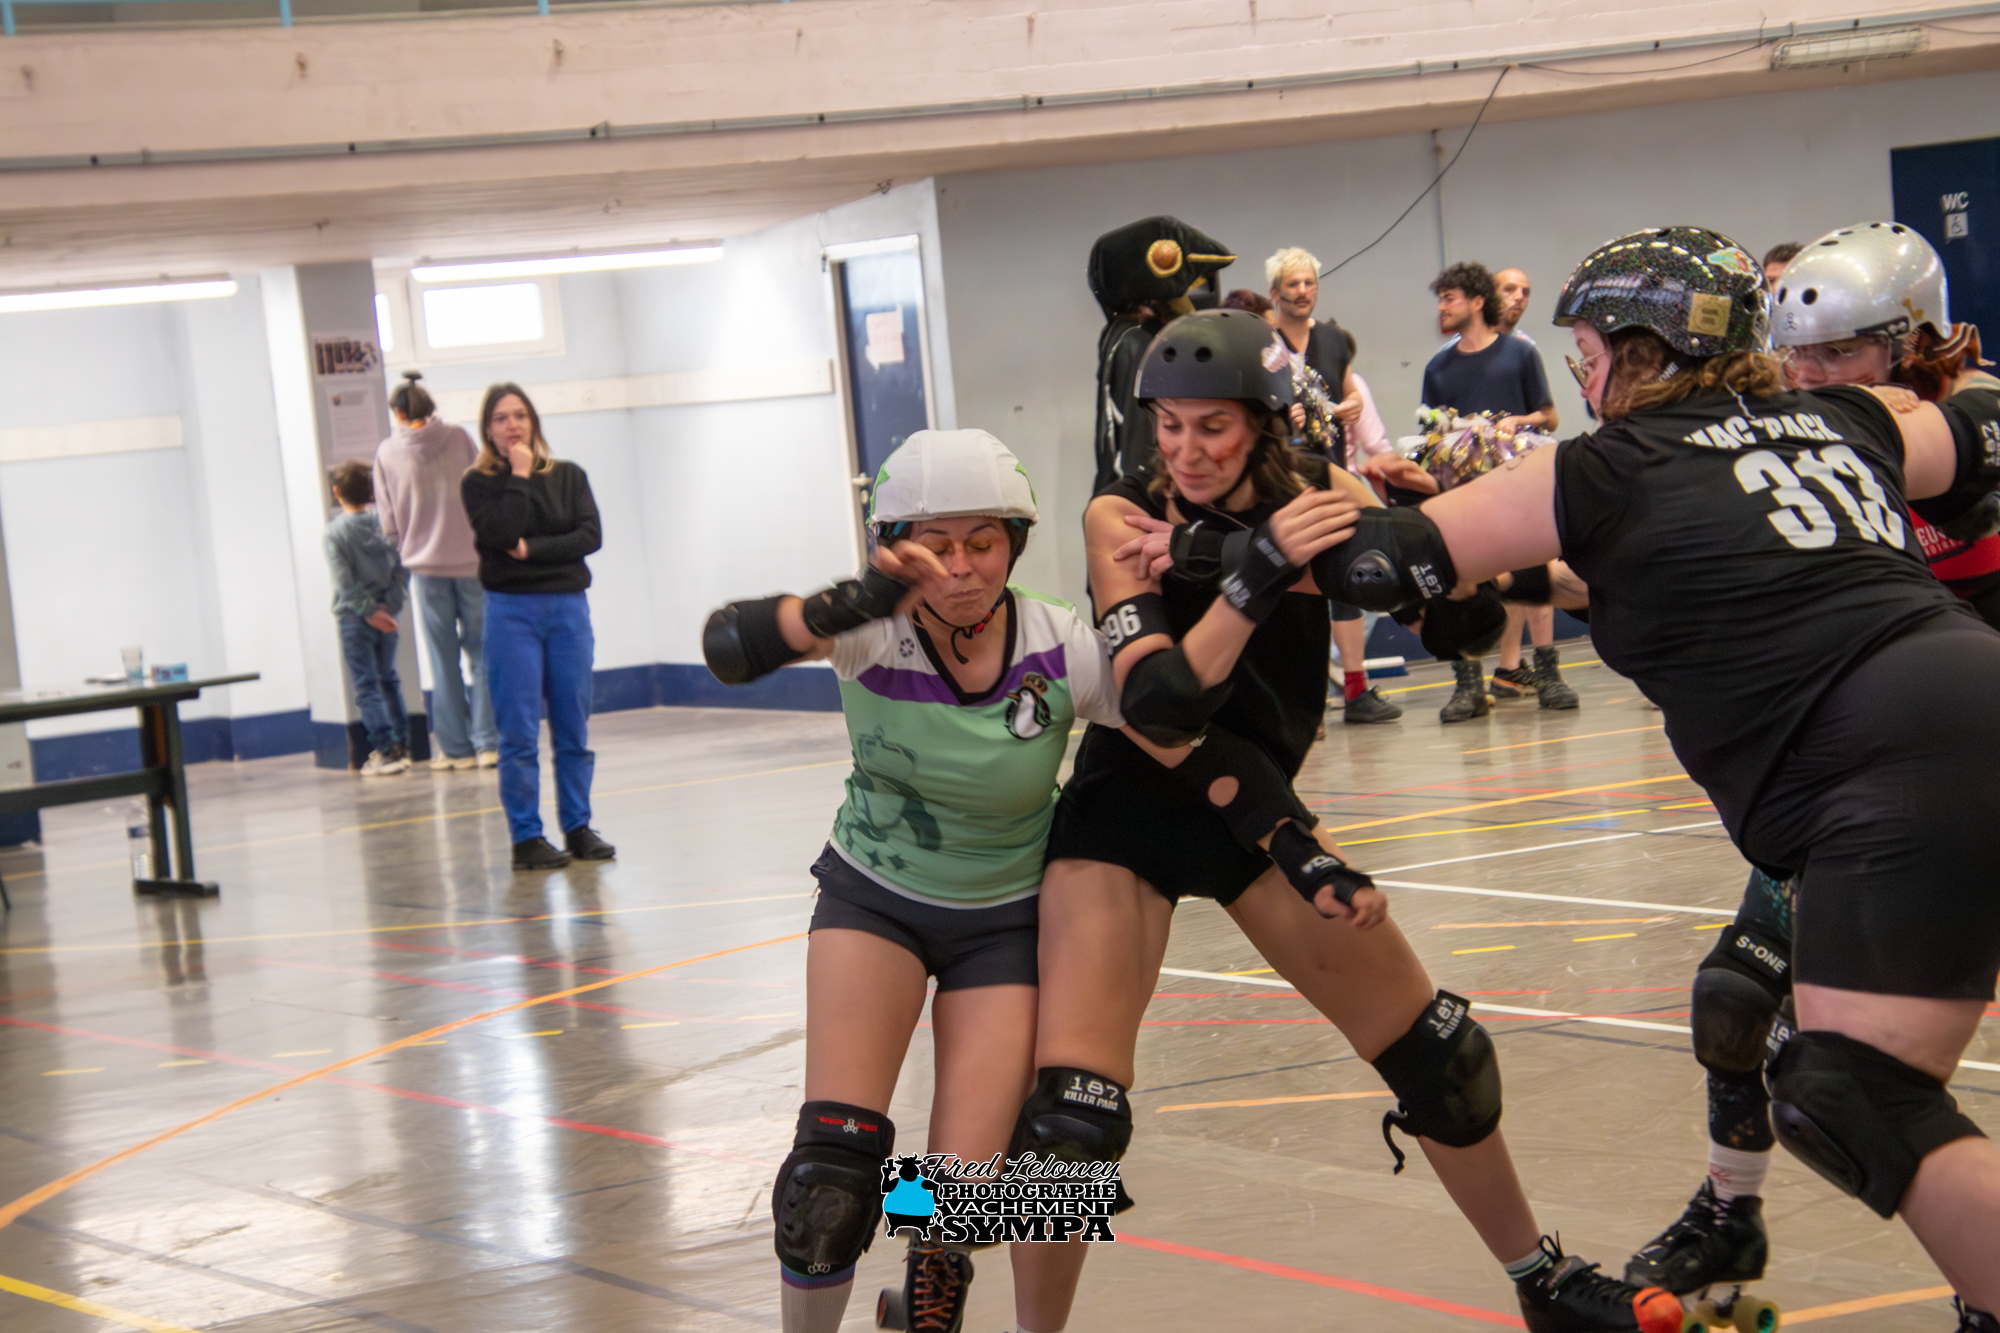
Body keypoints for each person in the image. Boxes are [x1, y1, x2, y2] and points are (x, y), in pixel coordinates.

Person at [1321, 225, 2000, 1319]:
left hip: (1877, 754)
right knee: (1826, 1071)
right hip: (1935, 718)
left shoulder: (1608, 465)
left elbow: (1371, 564)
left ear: (1637, 348)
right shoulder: (1845, 419)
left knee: (1850, 1093)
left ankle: (1564, 1276)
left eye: (1588, 352)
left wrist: (1239, 551)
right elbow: (1974, 434)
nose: (1581, 375)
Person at [1026, 308, 1680, 1333]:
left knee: (1443, 1060)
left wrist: (1426, 534)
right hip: (1130, 812)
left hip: (1257, 816)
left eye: (1212, 428)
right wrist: (1258, 568)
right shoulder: (1121, 512)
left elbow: (1461, 628)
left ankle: (1539, 1280)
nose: (1185, 451)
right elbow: (1159, 707)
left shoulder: (1322, 492)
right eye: (1169, 425)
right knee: (1071, 1126)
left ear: (1263, 423)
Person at [1626, 222, 2000, 1325]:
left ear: (1912, 342)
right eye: (1794, 356)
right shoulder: (1803, 443)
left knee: (1861, 1081)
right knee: (1739, 1002)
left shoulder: (1964, 427)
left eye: (1835, 353)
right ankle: (1726, 1211)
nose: (1806, 377)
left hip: (1960, 762)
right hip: (1873, 776)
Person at [460, 383, 613, 871]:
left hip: (568, 610)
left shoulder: (569, 475)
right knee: (519, 732)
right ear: (488, 430)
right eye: (501, 418)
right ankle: (527, 836)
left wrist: (532, 550)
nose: (513, 425)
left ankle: (578, 827)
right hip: (512, 613)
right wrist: (521, 475)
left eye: (520, 415)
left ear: (533, 421)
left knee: (573, 725)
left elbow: (589, 536)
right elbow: (503, 532)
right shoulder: (478, 484)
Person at [1421, 261, 1575, 719]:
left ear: (1476, 301)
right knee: (1464, 580)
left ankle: (1548, 674)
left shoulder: (1519, 354)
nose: (1442, 307)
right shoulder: (1438, 368)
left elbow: (1547, 414)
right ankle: (1467, 683)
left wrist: (1515, 423)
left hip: (1518, 484)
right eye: (1441, 299)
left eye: (1449, 298)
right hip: (1465, 494)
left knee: (1535, 569)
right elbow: (1431, 435)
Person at [1266, 249, 1400, 726]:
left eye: (1309, 283)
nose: (1303, 291)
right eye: (1293, 284)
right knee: (1295, 587)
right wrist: (1282, 420)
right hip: (1284, 481)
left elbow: (1350, 392)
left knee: (1346, 579)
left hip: (1333, 473)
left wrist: (1351, 406)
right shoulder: (1264, 346)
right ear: (1275, 292)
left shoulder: (1333, 339)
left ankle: (1356, 690)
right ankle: (1304, 700)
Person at [373, 371, 498, 772]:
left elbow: (388, 522)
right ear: (429, 407)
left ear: (397, 412)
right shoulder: (459, 439)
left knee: (442, 661)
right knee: (483, 654)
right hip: (472, 563)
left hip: (425, 569)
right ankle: (488, 743)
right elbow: (483, 488)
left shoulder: (387, 453)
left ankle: (456, 750)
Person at [1088, 217, 1235, 491]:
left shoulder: (1124, 333)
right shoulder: (1138, 341)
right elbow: (1140, 435)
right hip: (1138, 496)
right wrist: (1148, 496)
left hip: (1124, 491)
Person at [324, 460, 411, 777]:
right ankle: (403, 745)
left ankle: (386, 751)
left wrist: (369, 612)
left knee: (367, 686)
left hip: (354, 619)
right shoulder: (386, 524)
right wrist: (388, 608)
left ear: (337, 493)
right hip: (387, 616)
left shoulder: (334, 533)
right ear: (373, 492)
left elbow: (344, 583)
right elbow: (401, 569)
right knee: (388, 680)